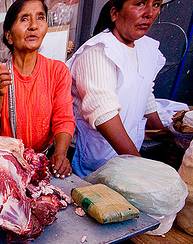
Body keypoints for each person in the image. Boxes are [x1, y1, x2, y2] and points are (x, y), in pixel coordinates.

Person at [67, 0, 166, 177]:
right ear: (114, 13)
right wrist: (140, 166)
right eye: (140, 4)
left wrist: (165, 134)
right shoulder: (99, 51)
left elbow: (144, 92)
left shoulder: (146, 47)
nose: (149, 13)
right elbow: (104, 113)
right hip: (94, 156)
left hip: (125, 157)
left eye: (156, 4)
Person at [0, 0, 76, 178]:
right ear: (9, 36)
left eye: (40, 17)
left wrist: (60, 154)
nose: (33, 26)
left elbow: (64, 120)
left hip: (43, 161)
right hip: (7, 165)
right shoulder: (0, 78)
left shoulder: (57, 72)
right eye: (24, 19)